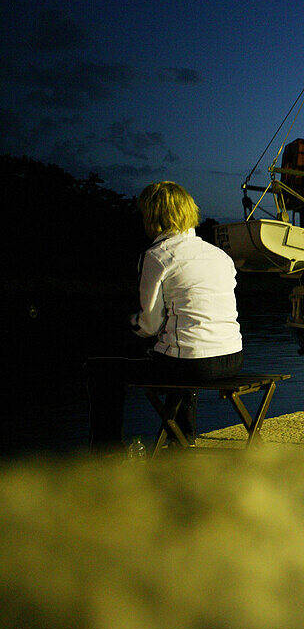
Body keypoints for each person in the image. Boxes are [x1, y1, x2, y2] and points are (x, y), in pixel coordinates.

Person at [86, 181, 243, 451]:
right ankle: (181, 438)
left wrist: (130, 323)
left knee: (103, 370)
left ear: (152, 216)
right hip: (233, 358)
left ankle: (106, 453)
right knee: (179, 347)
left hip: (196, 365)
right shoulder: (219, 256)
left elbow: (149, 325)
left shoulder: (158, 256)